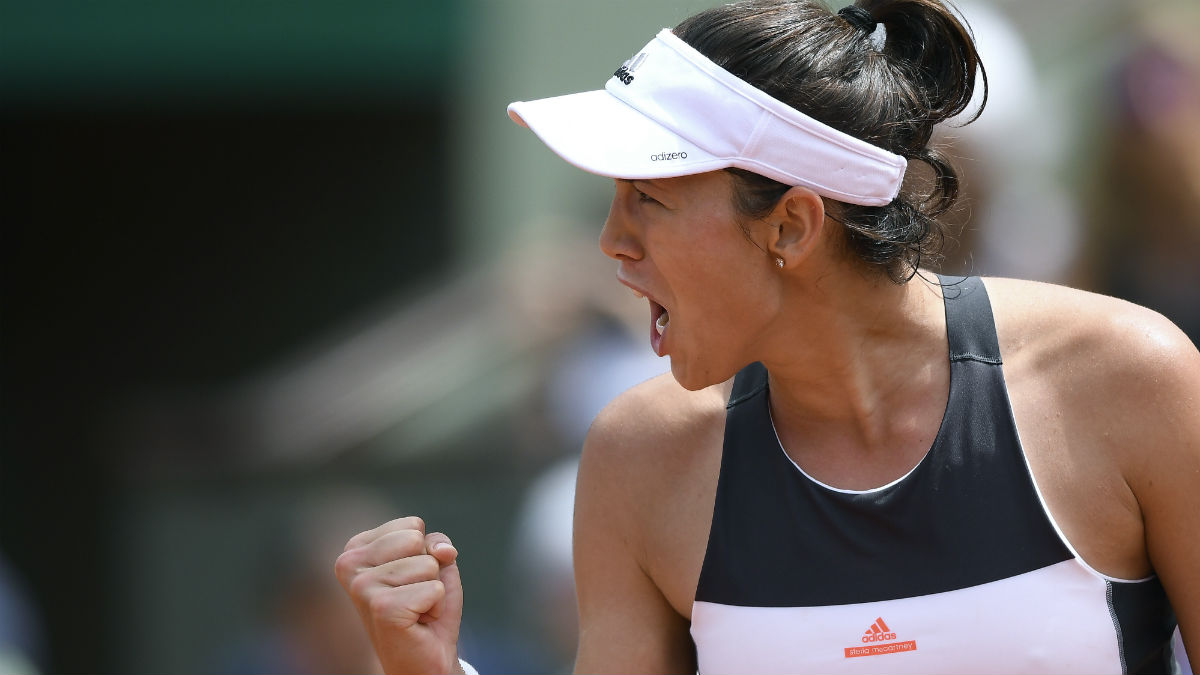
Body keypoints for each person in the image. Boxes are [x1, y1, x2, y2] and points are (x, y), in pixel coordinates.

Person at [334, 0, 1200, 672]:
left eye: (651, 199)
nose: (611, 243)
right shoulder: (639, 459)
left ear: (790, 226)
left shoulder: (1129, 377)